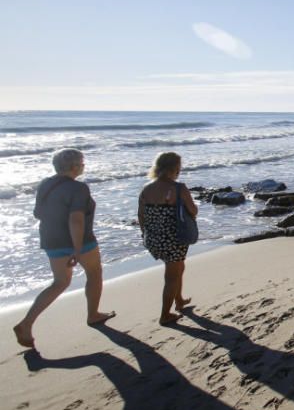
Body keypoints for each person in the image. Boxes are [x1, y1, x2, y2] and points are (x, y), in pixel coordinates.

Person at [13, 149, 115, 348]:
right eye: (82, 164)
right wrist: (76, 248)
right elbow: (76, 219)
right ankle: (93, 314)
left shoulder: (45, 184)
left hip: (51, 240)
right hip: (80, 241)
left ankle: (27, 323)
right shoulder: (78, 188)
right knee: (94, 273)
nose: (84, 167)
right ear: (75, 166)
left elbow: (37, 213)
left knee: (60, 282)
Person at [138, 152, 197, 325]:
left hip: (154, 238)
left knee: (178, 267)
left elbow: (141, 215)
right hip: (174, 238)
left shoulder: (147, 188)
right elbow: (193, 211)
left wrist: (145, 234)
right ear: (175, 168)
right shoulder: (179, 188)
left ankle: (179, 300)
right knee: (171, 276)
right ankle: (165, 315)